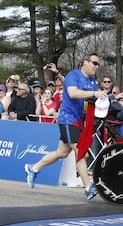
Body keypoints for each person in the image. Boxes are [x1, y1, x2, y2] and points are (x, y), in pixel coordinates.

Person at [24, 53, 108, 200]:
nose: (96, 66)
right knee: (79, 149)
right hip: (68, 119)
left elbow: (92, 99)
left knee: (61, 153)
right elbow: (72, 93)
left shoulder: (93, 81)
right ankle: (88, 186)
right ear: (85, 62)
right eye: (94, 63)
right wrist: (94, 93)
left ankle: (33, 168)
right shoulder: (73, 75)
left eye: (98, 64)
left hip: (80, 121)